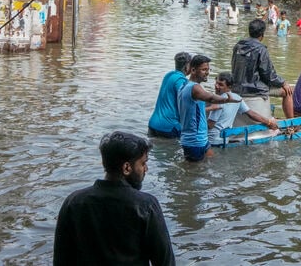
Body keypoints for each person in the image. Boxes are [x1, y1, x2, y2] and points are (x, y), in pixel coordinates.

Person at [53, 131, 176, 265]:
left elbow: (61, 259)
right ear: (127, 168)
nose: (145, 169)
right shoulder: (146, 206)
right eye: (143, 163)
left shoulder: (73, 202)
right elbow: (165, 261)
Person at [178, 55, 240, 162]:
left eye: (208, 69)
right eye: (203, 69)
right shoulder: (195, 87)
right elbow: (210, 97)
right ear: (193, 70)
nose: (207, 72)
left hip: (201, 139)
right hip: (195, 141)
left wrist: (211, 108)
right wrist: (226, 100)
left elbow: (193, 110)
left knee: (212, 162)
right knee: (193, 173)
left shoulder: (184, 85)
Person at [231, 19, 294, 118]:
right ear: (262, 34)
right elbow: (269, 75)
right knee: (288, 91)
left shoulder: (237, 46)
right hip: (254, 90)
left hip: (236, 87)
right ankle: (291, 123)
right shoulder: (261, 49)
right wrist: (283, 82)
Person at [208, 72, 278, 146]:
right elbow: (251, 114)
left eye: (221, 85)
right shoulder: (237, 98)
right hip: (224, 140)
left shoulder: (217, 100)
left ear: (229, 87)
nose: (216, 86)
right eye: (216, 83)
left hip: (211, 140)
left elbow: (210, 125)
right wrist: (269, 123)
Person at [148, 52, 191, 138]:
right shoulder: (181, 80)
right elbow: (185, 101)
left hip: (153, 123)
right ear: (186, 66)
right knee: (172, 151)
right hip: (169, 127)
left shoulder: (168, 75)